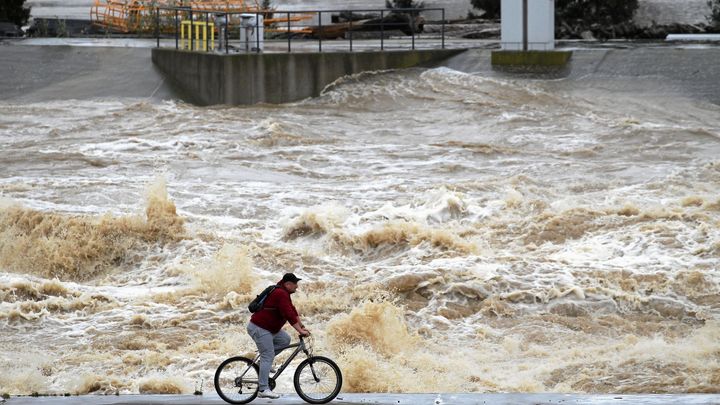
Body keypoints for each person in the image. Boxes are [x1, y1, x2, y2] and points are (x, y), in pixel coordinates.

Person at [247, 272, 310, 399]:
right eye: (295, 284)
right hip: (260, 328)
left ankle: (261, 363)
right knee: (268, 355)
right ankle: (263, 389)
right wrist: (300, 331)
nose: (297, 287)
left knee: (285, 340)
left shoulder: (284, 293)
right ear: (288, 284)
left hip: (269, 329)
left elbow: (292, 311)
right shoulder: (280, 293)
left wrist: (302, 326)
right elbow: (288, 314)